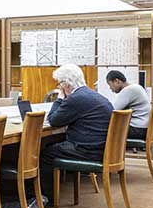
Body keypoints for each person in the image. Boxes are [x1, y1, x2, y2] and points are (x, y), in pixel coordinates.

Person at [39, 65, 113, 198]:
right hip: (103, 148)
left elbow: (54, 121)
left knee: (45, 154)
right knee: (56, 145)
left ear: (66, 84)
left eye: (59, 84)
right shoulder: (94, 95)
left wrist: (60, 98)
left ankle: (47, 198)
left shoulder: (75, 98)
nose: (59, 87)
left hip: (88, 150)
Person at [106, 70, 150, 140]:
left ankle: (111, 150)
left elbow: (113, 110)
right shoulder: (136, 87)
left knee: (103, 128)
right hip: (143, 128)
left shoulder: (128, 90)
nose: (110, 88)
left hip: (138, 129)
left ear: (116, 81)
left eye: (110, 84)